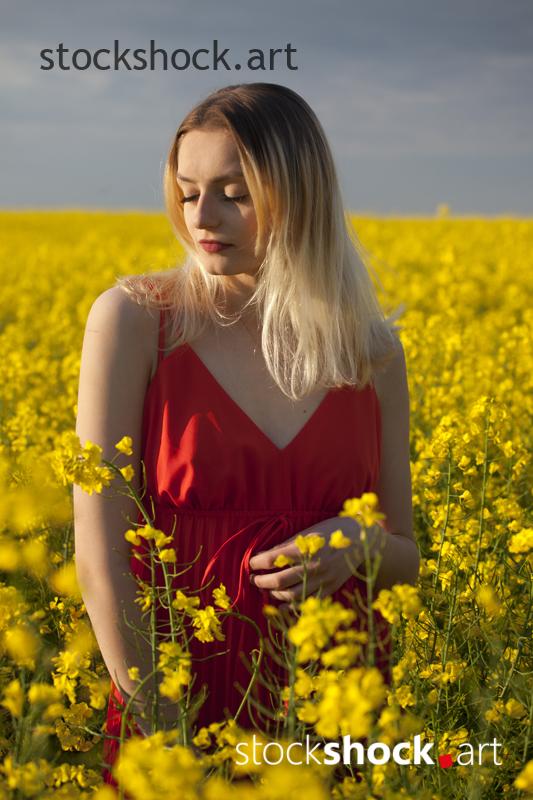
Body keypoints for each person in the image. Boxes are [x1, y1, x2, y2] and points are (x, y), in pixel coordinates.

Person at [73, 82, 420, 788]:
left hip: (334, 698)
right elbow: (98, 558)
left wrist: (357, 544)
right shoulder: (136, 322)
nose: (202, 217)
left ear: (302, 197)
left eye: (234, 192)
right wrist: (160, 724)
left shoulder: (370, 352)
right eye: (188, 190)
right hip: (178, 690)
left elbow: (406, 559)